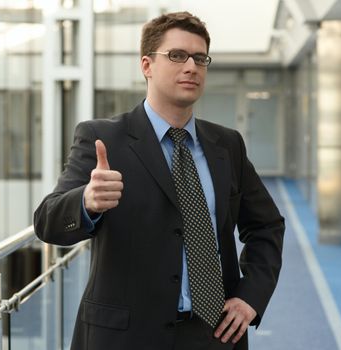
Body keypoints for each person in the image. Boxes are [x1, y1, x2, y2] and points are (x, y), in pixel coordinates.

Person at [34, 11, 284, 350]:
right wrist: (86, 201)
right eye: (177, 56)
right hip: (126, 337)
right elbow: (47, 222)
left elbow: (267, 226)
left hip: (214, 335)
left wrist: (250, 296)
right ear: (147, 65)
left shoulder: (227, 145)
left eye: (200, 58)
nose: (191, 67)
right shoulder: (102, 138)